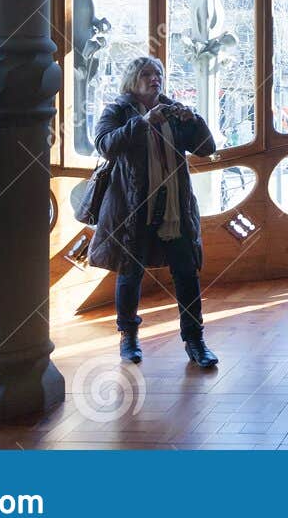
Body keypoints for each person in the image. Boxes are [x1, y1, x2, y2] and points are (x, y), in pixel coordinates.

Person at [90, 56, 220, 368]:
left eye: (158, 74)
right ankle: (129, 337)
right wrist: (143, 121)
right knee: (130, 273)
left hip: (175, 206)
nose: (155, 79)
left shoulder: (173, 111)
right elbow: (105, 144)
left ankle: (195, 340)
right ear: (133, 79)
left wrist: (194, 120)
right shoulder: (118, 110)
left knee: (186, 272)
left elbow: (206, 146)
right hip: (133, 208)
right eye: (147, 74)